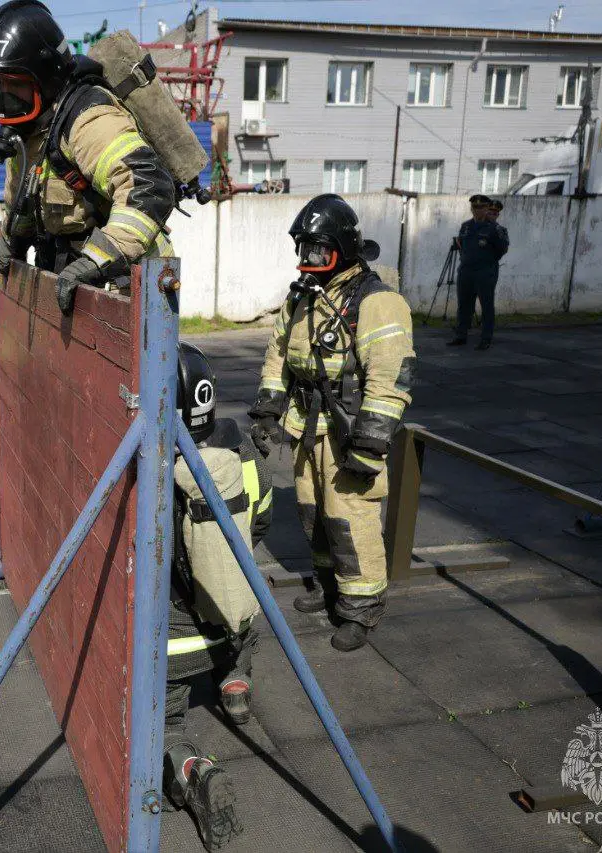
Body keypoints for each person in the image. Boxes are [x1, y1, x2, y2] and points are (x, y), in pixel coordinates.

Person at [248, 194, 415, 652]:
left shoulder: (377, 302)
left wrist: (370, 445)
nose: (308, 259)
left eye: (317, 249)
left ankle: (360, 608)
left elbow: (390, 380)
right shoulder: (304, 294)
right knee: (313, 514)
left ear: (340, 246)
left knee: (350, 519)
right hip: (307, 426)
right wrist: (266, 410)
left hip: (348, 430)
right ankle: (329, 588)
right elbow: (279, 353)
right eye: (303, 249)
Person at [0, 0, 176, 313]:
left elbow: (148, 186)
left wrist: (95, 260)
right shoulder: (32, 130)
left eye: (15, 85)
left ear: (43, 78)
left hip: (131, 281)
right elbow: (29, 194)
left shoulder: (87, 120)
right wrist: (14, 237)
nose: (6, 98)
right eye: (0, 86)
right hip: (77, 281)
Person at [164, 341, 272, 851]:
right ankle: (235, 682)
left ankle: (192, 769)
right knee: (248, 584)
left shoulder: (154, 468)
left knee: (161, 724)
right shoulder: (242, 452)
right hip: (236, 617)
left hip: (175, 641)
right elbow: (263, 519)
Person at [448, 194, 509, 351]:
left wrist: (486, 261)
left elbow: (501, 250)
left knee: (486, 305)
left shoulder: (495, 229)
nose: (477, 210)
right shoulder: (466, 226)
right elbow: (462, 245)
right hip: (466, 270)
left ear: (487, 208)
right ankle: (461, 335)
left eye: (481, 207)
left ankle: (486, 338)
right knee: (464, 304)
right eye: (475, 207)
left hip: (485, 271)